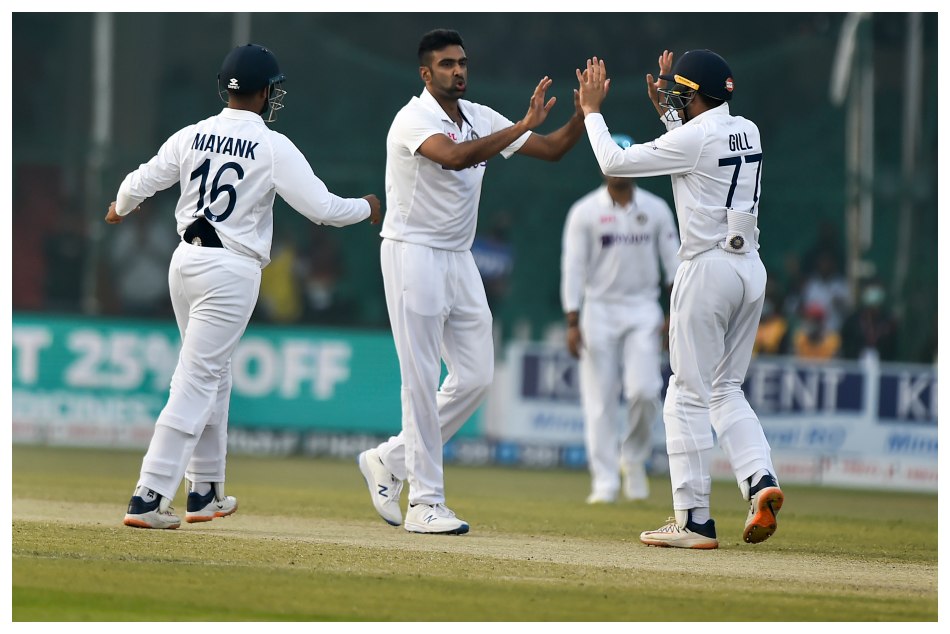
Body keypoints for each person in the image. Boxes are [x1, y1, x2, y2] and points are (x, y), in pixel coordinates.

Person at [107, 43, 382, 529]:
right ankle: (148, 495)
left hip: (184, 262)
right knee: (197, 379)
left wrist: (120, 207)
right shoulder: (271, 145)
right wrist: (368, 207)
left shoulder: (193, 133)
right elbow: (323, 209)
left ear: (225, 88)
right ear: (264, 93)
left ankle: (204, 491)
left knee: (213, 376)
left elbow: (141, 180)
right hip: (230, 270)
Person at [357, 28, 585, 535]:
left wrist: (584, 115)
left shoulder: (480, 116)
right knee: (420, 379)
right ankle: (425, 504)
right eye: (446, 64)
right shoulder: (412, 119)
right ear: (426, 73)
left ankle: (389, 460)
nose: (458, 70)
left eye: (462, 62)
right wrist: (521, 124)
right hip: (412, 252)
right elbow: (455, 156)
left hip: (459, 258)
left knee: (477, 377)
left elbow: (551, 149)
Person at [576, 50, 784, 549]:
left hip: (707, 268)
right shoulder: (749, 129)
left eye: (680, 94)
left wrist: (591, 111)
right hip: (749, 269)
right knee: (726, 390)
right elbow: (698, 153)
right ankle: (759, 479)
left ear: (696, 96)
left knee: (686, 395)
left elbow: (614, 161)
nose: (673, 99)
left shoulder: (693, 138)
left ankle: (693, 521)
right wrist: (672, 115)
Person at [559, 133, 680, 504]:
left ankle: (635, 458)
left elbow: (674, 266)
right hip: (598, 308)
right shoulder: (584, 211)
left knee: (645, 391)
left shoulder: (656, 209)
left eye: (626, 158)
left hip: (643, 308)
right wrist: (572, 319)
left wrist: (674, 314)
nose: (619, 166)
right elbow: (573, 268)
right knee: (599, 400)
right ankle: (605, 480)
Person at [840, 278, 898, 362]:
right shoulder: (852, 321)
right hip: (855, 365)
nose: (873, 294)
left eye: (877, 290)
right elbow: (846, 346)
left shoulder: (889, 322)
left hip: (884, 366)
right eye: (871, 290)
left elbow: (893, 350)